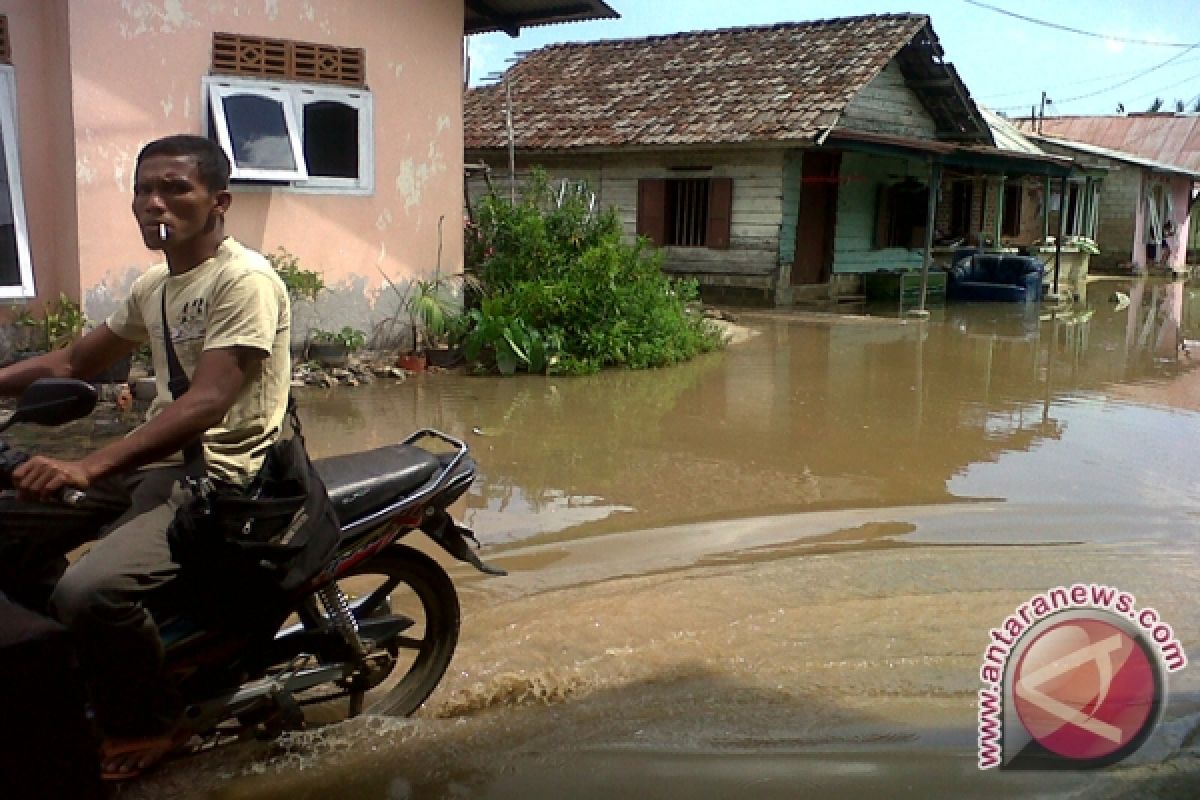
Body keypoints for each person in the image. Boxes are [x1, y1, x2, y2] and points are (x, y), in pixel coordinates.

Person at [0, 134, 291, 778]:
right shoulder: (157, 284)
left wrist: (87, 463)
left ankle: (152, 723)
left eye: (172, 189)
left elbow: (208, 402)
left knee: (90, 590)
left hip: (221, 472)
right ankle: (65, 670)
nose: (152, 203)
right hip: (158, 461)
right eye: (142, 190)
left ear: (218, 202)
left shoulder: (244, 281)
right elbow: (74, 361)